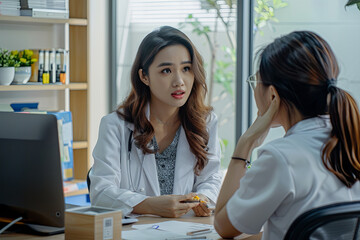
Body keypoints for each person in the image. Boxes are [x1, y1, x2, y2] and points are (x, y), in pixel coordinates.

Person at [214, 31, 360, 239]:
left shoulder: (280, 158)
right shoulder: (350, 140)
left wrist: (245, 145)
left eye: (256, 81)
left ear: (273, 95)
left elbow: (223, 225)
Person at [89, 26, 222, 218]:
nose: (179, 81)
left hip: (189, 230)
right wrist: (149, 205)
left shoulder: (206, 123)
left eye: (186, 69)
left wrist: (203, 198)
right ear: (144, 76)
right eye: (166, 70)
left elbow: (212, 179)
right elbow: (100, 192)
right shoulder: (115, 126)